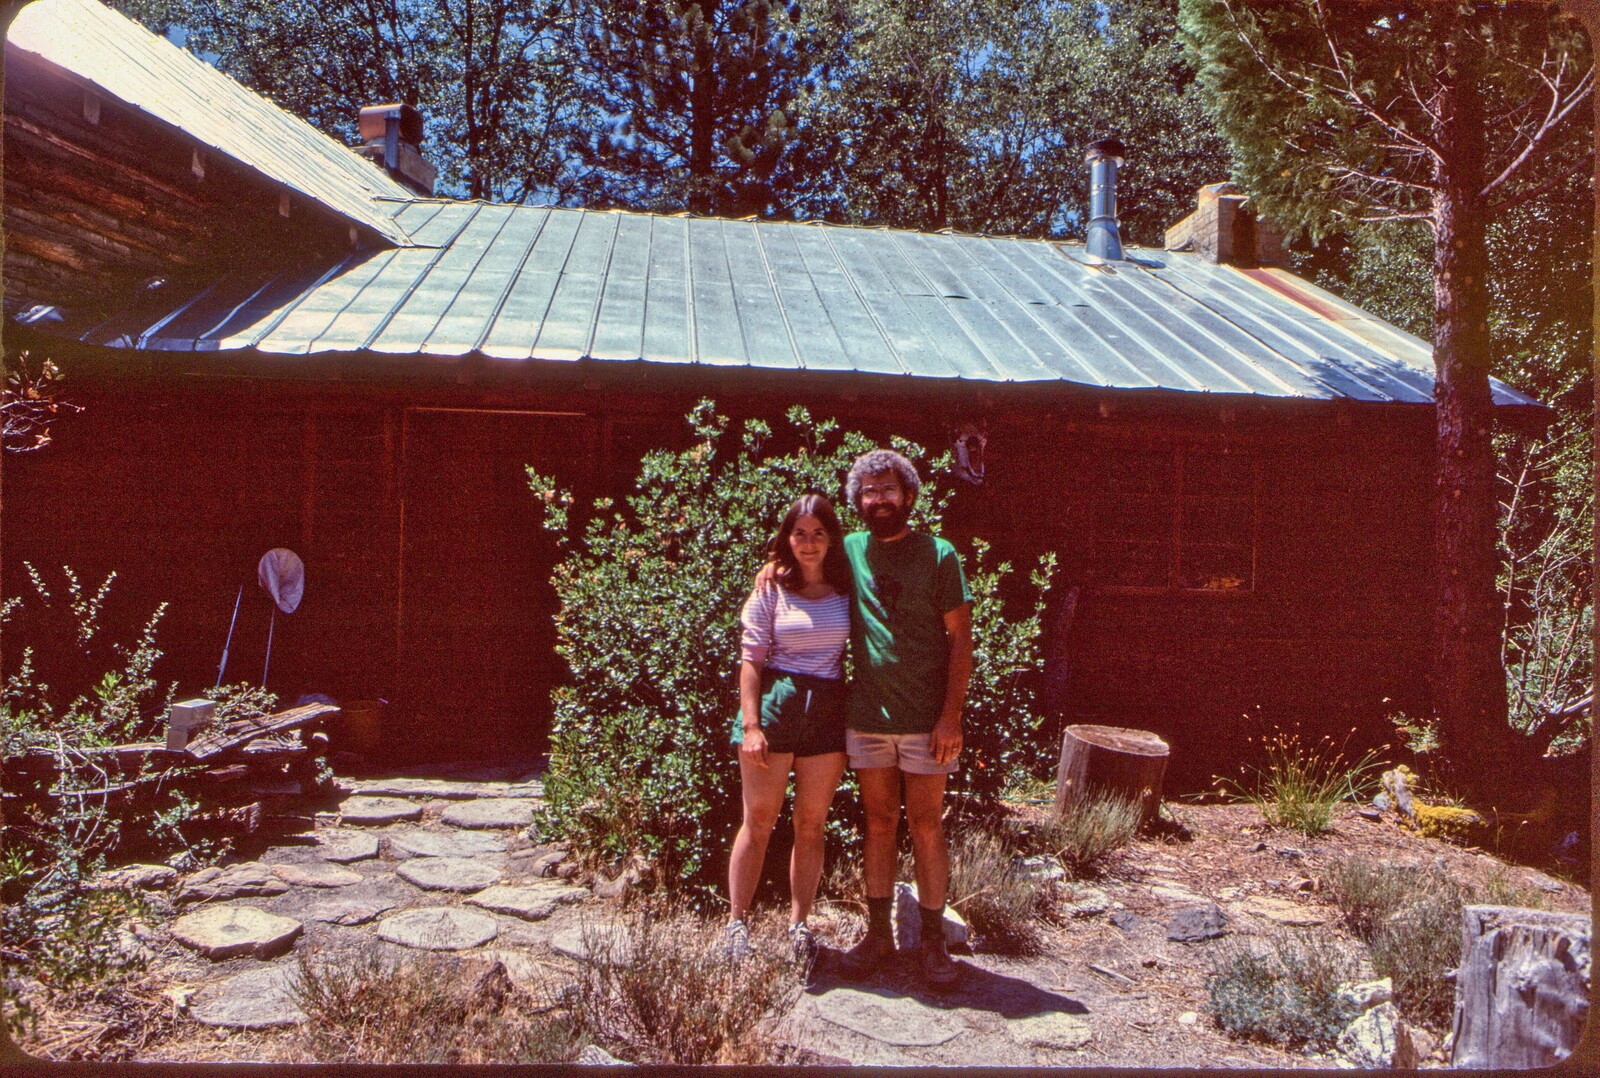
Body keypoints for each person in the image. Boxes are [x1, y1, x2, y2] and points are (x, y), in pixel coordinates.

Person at [836, 449, 973, 988]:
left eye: (888, 489)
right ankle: (878, 936)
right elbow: (798, 559)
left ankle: (933, 942)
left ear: (909, 495)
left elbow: (961, 640)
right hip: (868, 716)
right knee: (877, 823)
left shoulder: (939, 554)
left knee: (926, 824)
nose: (879, 500)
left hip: (926, 721)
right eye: (869, 492)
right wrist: (765, 572)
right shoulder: (849, 548)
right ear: (857, 500)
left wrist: (951, 717)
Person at [725, 493, 854, 967]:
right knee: (759, 820)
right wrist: (751, 725)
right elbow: (751, 661)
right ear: (787, 538)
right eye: (799, 534)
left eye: (818, 533)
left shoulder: (847, 588)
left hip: (827, 711)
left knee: (811, 824)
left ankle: (799, 926)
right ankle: (737, 923)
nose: (809, 543)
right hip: (776, 708)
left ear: (832, 539)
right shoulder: (770, 589)